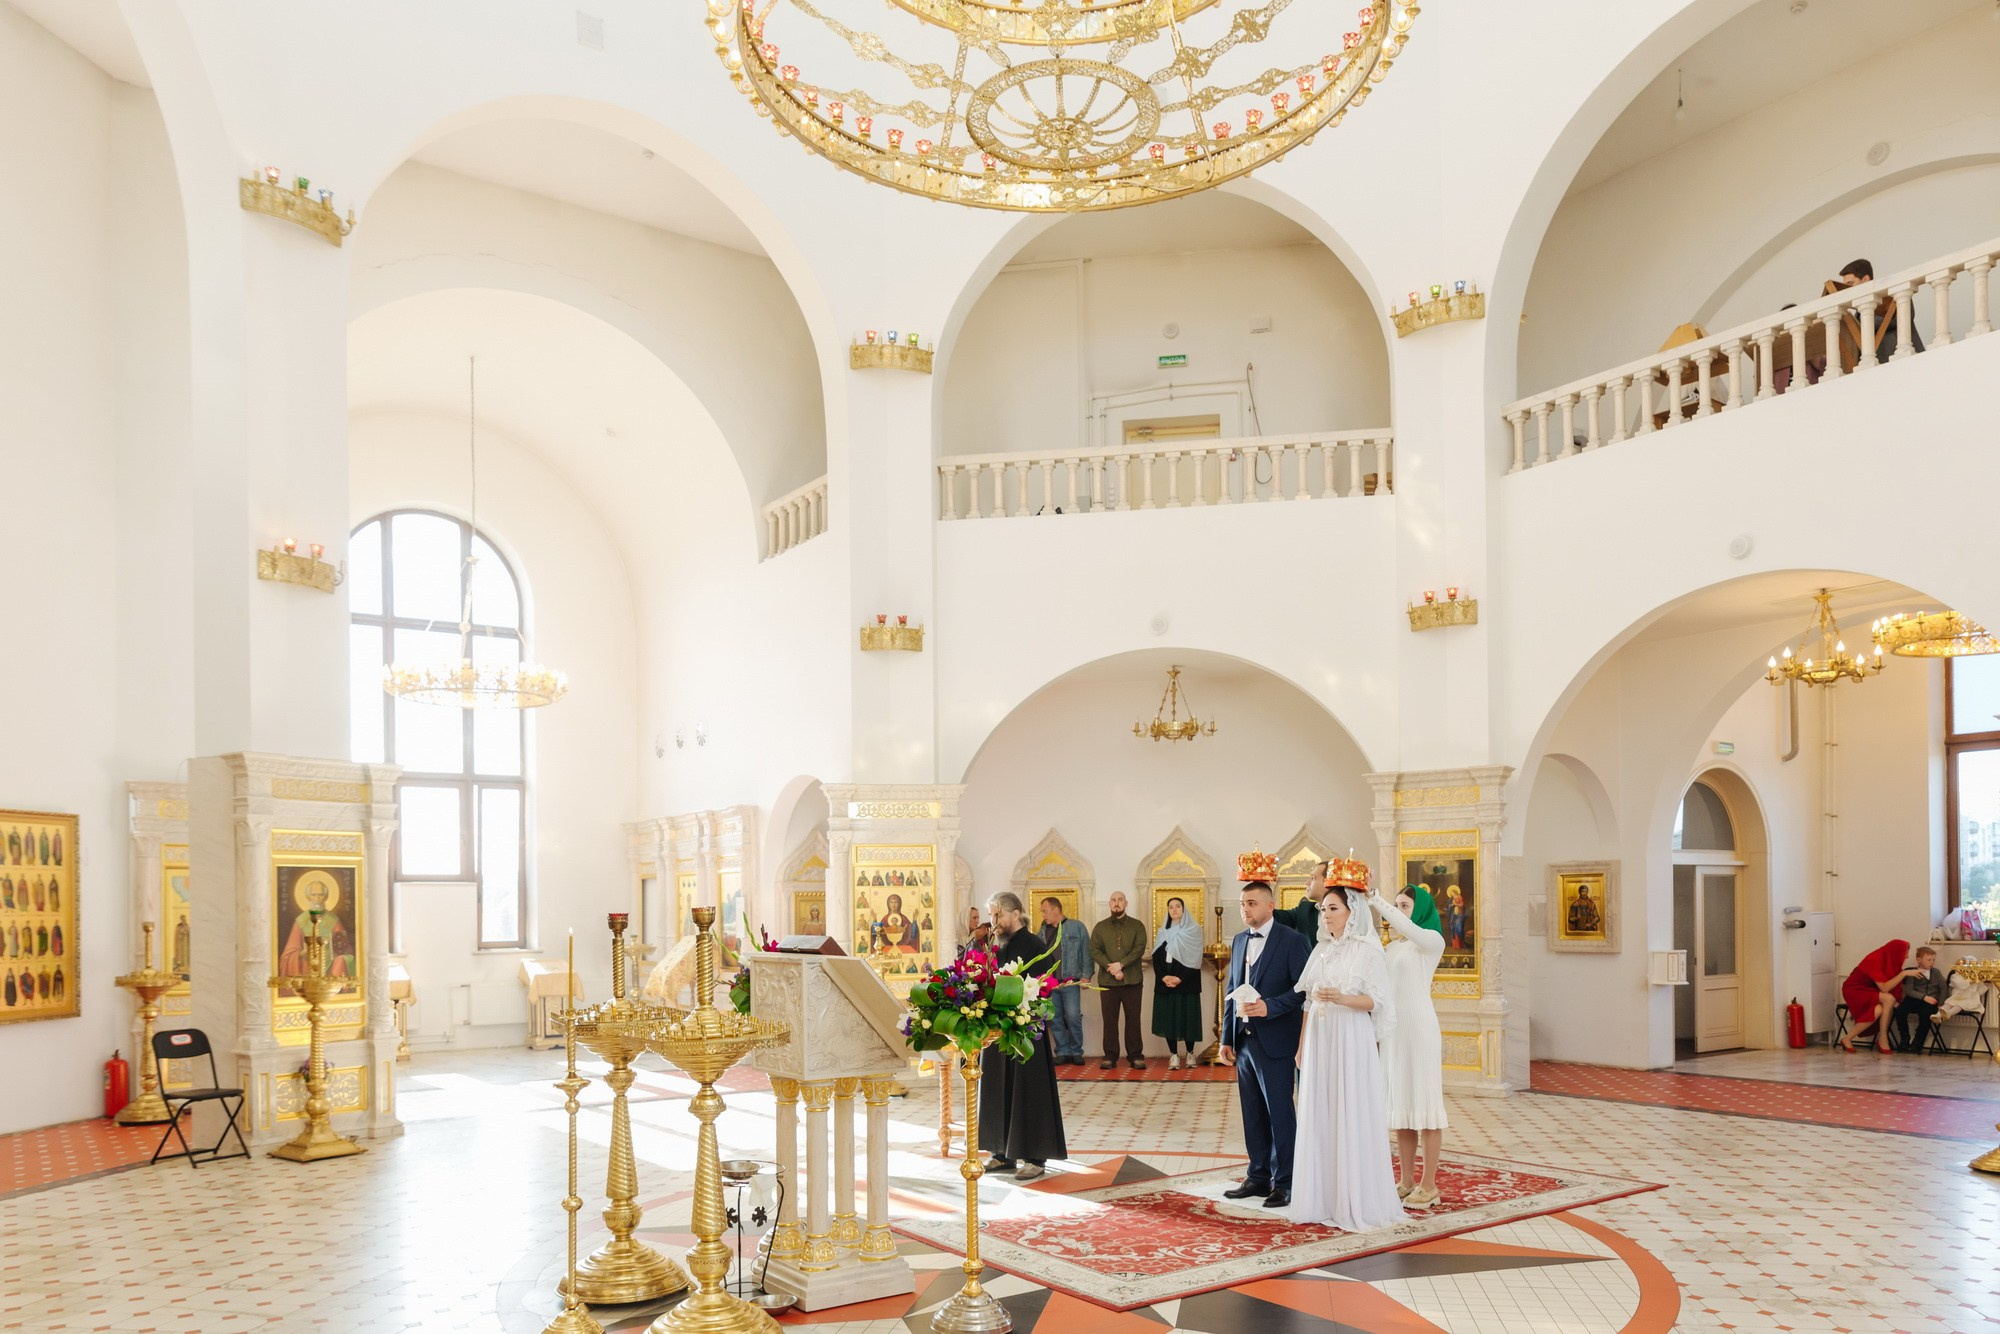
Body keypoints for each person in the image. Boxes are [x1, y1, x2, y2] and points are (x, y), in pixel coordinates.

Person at [1289, 886, 1405, 1232]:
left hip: (1351, 1035)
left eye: (1333, 908)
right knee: (1321, 1108)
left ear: (1351, 912)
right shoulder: (1321, 950)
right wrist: (1301, 1046)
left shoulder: (1368, 951)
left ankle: (1355, 1198)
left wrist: (1342, 998)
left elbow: (1376, 1002)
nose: (1326, 915)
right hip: (1320, 1037)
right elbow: (1309, 1001)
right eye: (1324, 909)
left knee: (1349, 1108)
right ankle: (1321, 1197)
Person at [1218, 880, 1311, 1208]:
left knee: (1279, 1113)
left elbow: (1303, 990)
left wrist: (1270, 1007)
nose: (1246, 910)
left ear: (1270, 906)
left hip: (1276, 1041)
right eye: (1243, 904)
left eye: (1253, 903)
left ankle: (1285, 1181)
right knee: (1253, 1112)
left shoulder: (1293, 941)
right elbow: (1231, 988)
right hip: (1244, 1042)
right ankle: (1257, 1176)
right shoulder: (1239, 940)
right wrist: (1225, 1038)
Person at [1369, 884, 1449, 1207]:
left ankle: (1429, 1185)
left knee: (1427, 1108)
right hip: (1395, 1032)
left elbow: (1407, 928)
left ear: (1419, 909)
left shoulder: (1431, 942)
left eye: (1405, 905)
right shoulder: (1393, 949)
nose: (1399, 911)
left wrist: (1376, 899)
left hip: (1420, 1029)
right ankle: (1406, 1180)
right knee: (1401, 1108)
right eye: (1397, 904)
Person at [979, 891, 1067, 1182]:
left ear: (1015, 914)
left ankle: (1034, 1156)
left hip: (1025, 1031)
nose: (993, 921)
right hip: (997, 1029)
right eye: (991, 916)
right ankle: (1001, 1152)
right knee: (997, 1087)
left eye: (997, 915)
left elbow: (1042, 987)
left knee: (1028, 1091)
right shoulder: (994, 945)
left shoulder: (1034, 944)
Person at [1829, 258, 1923, 368]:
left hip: (1907, 362)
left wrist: (1862, 322)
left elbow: (1899, 319)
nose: (1847, 290)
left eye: (1851, 283)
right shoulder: (1858, 314)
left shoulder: (1894, 296)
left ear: (1865, 279)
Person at [1090, 891, 1147, 1069]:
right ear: (1109, 903)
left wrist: (1121, 965)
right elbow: (1095, 950)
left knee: (1133, 1020)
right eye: (1113, 900)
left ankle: (1136, 1056)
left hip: (1133, 981)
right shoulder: (1100, 927)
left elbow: (1139, 949)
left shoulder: (1137, 926)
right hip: (1108, 982)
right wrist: (1112, 967)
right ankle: (1110, 1056)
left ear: (1126, 903)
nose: (1117, 903)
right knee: (1109, 1020)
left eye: (1120, 900)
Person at [1150, 896, 1205, 1069]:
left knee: (1188, 1018)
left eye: (1178, 906)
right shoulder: (1162, 932)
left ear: (1183, 909)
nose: (1174, 910)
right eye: (1171, 907)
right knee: (1169, 1019)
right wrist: (1163, 977)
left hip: (1186, 981)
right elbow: (1156, 957)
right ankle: (1173, 1055)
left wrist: (1180, 978)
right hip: (1166, 981)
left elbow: (1195, 959)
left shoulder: (1194, 930)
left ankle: (1190, 1053)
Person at [1038, 896, 1091, 1067]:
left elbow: (1086, 953)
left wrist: (1086, 975)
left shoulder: (1077, 927)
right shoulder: (1042, 931)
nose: (1043, 915)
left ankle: (1076, 1051)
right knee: (1055, 1018)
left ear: (1055, 910)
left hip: (1070, 981)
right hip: (1051, 983)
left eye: (1045, 911)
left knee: (1074, 1016)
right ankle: (1062, 1051)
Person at [1841, 937, 1913, 1054]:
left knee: (1878, 1010)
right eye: (1905, 953)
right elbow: (1884, 987)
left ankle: (1847, 1038)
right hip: (1854, 990)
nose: (1907, 957)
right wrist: (1904, 973)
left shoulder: (1888, 959)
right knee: (1889, 999)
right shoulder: (1873, 960)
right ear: (1896, 952)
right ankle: (1883, 1038)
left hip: (1870, 990)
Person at [1891, 946, 1946, 1052]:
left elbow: (1943, 988)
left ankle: (1918, 1042)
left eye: (1933, 960)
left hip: (1930, 1001)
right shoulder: (1912, 972)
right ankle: (1904, 1039)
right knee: (1900, 1011)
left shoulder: (1936, 972)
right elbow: (1909, 990)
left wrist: (1940, 1004)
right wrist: (1923, 997)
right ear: (1919, 960)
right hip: (1914, 998)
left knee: (1926, 1015)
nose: (1932, 962)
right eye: (1929, 960)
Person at [1274, 860, 1336, 937]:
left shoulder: (1349, 913)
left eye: (1313, 878)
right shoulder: (1304, 909)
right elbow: (1272, 916)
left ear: (1328, 882)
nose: (1307, 883)